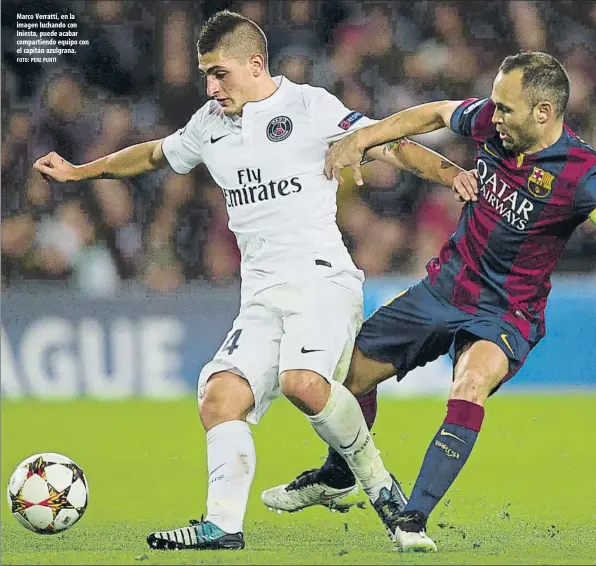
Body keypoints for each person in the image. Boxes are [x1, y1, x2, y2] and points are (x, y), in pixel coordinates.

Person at [33, 10, 474, 553]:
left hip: (321, 280)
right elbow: (151, 154)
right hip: (260, 296)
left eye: (220, 73)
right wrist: (81, 172)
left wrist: (449, 173)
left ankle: (383, 492)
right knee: (219, 397)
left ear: (255, 64)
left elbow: (391, 145)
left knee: (302, 383)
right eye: (205, 75)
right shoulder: (208, 125)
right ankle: (222, 525)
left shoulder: (310, 107)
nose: (212, 86)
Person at [261, 51, 596, 552]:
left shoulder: (581, 174)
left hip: (507, 311)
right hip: (445, 288)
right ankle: (338, 476)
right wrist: (362, 137)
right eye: (494, 106)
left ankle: (412, 517)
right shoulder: (490, 123)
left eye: (505, 108)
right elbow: (437, 113)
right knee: (344, 383)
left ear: (544, 112)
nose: (493, 115)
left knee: (471, 381)